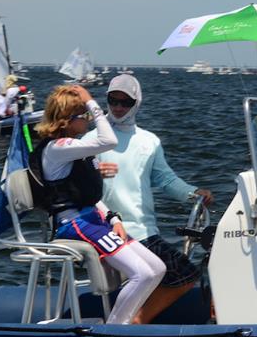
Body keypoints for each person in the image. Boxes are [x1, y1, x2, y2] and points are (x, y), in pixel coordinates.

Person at [84, 74, 213, 324]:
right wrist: (92, 172)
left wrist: (193, 193)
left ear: (137, 103)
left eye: (126, 102)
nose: (119, 107)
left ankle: (135, 316)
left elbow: (166, 180)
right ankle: (137, 320)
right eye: (113, 100)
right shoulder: (91, 141)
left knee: (181, 271)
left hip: (144, 231)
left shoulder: (149, 141)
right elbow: (74, 184)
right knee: (186, 274)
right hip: (107, 230)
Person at [34, 84, 165, 324]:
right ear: (67, 120)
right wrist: (91, 102)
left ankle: (119, 325)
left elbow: (90, 197)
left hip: (92, 219)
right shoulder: (58, 148)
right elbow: (108, 140)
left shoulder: (73, 148)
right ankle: (116, 328)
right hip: (74, 224)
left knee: (157, 268)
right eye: (83, 116)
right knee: (142, 274)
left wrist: (113, 219)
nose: (88, 120)